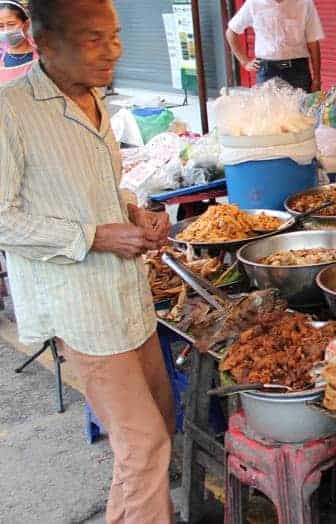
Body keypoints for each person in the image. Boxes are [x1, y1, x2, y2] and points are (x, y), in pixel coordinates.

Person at [0, 1, 176, 522]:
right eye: (94, 39)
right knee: (143, 444)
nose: (114, 51)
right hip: (80, 308)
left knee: (157, 424)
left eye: (116, 36)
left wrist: (134, 212)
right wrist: (96, 236)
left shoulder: (95, 98)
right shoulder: (12, 111)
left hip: (126, 294)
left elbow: (95, 189)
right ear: (45, 44)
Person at [226, 0, 325, 93]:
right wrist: (245, 61)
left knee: (300, 110)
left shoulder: (304, 3)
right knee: (268, 110)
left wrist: (317, 79)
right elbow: (231, 32)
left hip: (298, 71)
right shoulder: (254, 3)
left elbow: (313, 43)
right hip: (267, 71)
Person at [0, 0, 35, 83]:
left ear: (26, 24)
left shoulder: (43, 52)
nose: (6, 31)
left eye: (11, 24)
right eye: (0, 26)